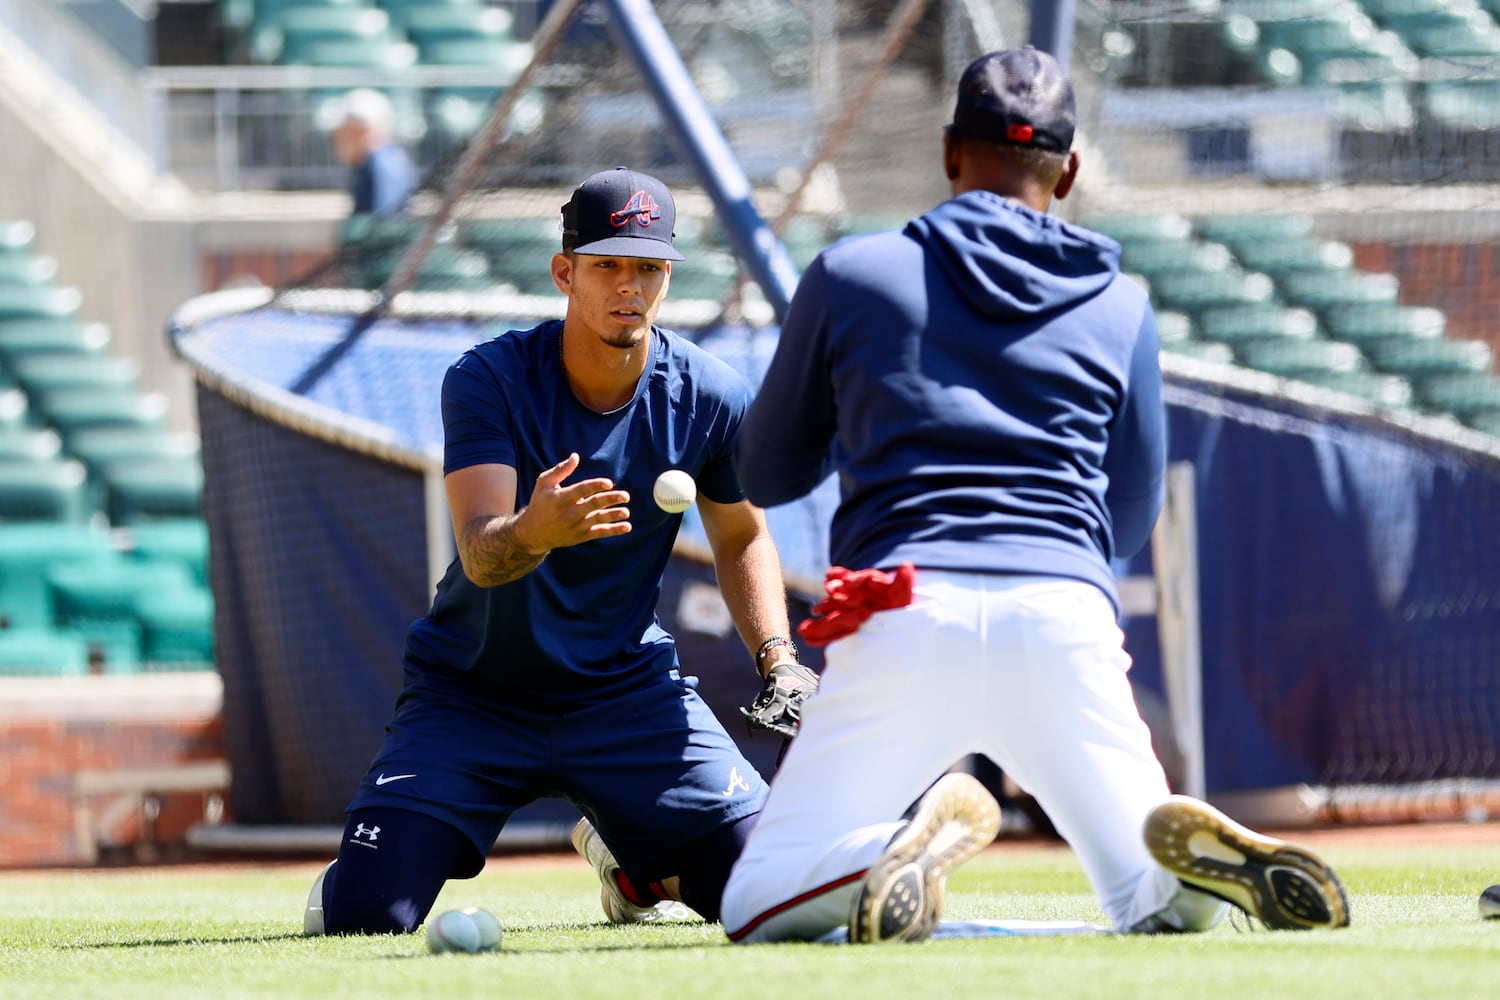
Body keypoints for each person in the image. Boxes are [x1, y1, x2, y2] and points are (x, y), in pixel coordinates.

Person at [719, 47, 1351, 944]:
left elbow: (768, 475)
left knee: (756, 905)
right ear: (1073, 167)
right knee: (1147, 902)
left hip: (905, 610)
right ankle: (1177, 883)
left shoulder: (854, 273)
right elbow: (1129, 517)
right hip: (1063, 614)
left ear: (948, 152)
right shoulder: (1121, 303)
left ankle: (885, 855)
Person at [303, 166, 813, 936]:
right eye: (607, 264)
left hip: (624, 695)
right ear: (564, 272)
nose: (628, 287)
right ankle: (366, 868)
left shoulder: (712, 396)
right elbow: (480, 553)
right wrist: (537, 529)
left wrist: (779, 658)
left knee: (767, 897)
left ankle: (636, 869)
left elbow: (742, 534)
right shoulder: (489, 378)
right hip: (473, 694)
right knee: (365, 919)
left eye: (648, 268)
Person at [330, 88, 417, 217]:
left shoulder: (380, 164)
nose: (337, 142)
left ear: (358, 132)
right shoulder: (382, 158)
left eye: (343, 134)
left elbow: (385, 221)